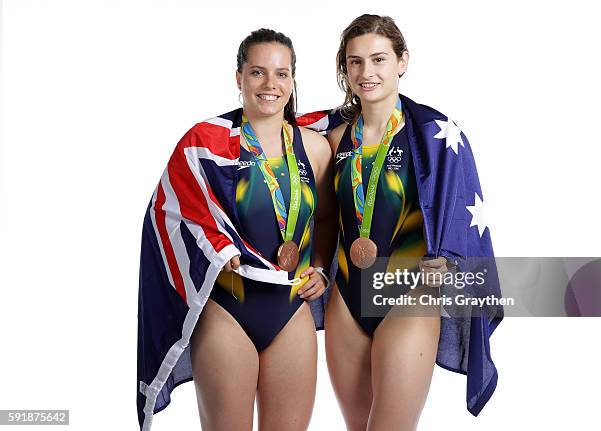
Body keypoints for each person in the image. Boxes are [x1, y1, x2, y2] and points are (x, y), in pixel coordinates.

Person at [136, 28, 336, 431]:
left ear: (293, 80)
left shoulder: (314, 148)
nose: (270, 84)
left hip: (291, 308)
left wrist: (319, 266)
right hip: (227, 312)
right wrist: (214, 246)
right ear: (239, 78)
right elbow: (168, 212)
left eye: (281, 74)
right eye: (258, 72)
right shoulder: (207, 145)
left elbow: (329, 219)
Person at [322, 14, 502, 430]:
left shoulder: (435, 135)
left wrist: (450, 260)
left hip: (411, 294)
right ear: (345, 69)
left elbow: (459, 210)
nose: (367, 73)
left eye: (379, 59)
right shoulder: (331, 137)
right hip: (347, 298)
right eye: (355, 62)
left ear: (402, 62)